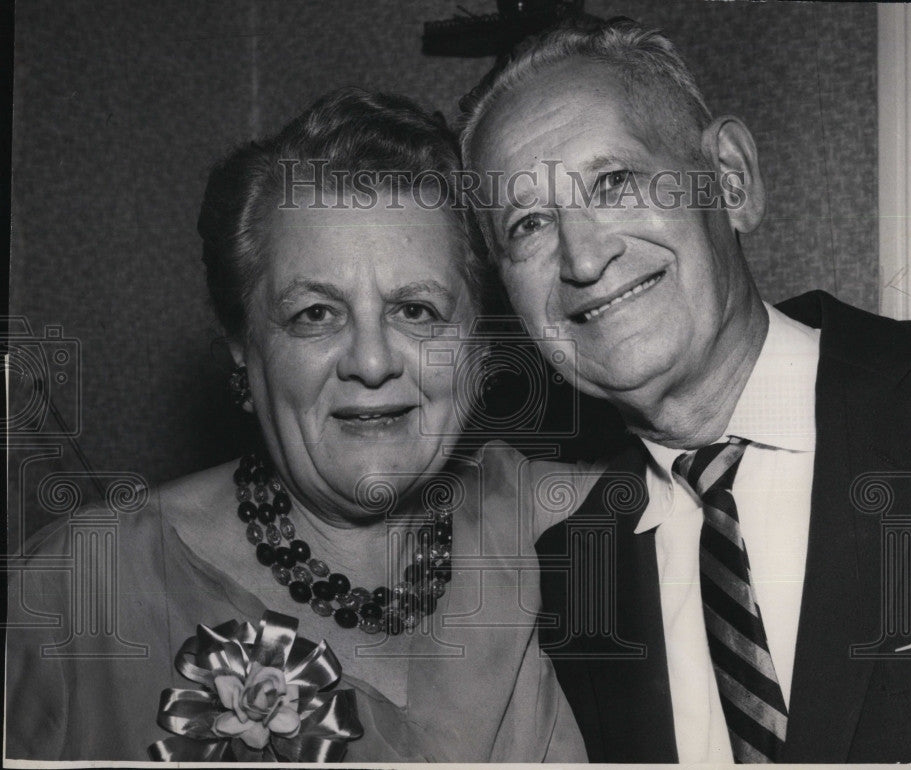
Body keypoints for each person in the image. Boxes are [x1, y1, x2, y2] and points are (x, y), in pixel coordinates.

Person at [460, 18, 911, 764]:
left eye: (613, 181)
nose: (583, 257)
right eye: (529, 225)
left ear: (731, 179)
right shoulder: (573, 589)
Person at [4, 88, 593, 763]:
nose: (371, 362)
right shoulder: (82, 590)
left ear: (479, 347)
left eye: (417, 310)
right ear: (242, 345)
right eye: (315, 313)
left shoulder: (544, 518)